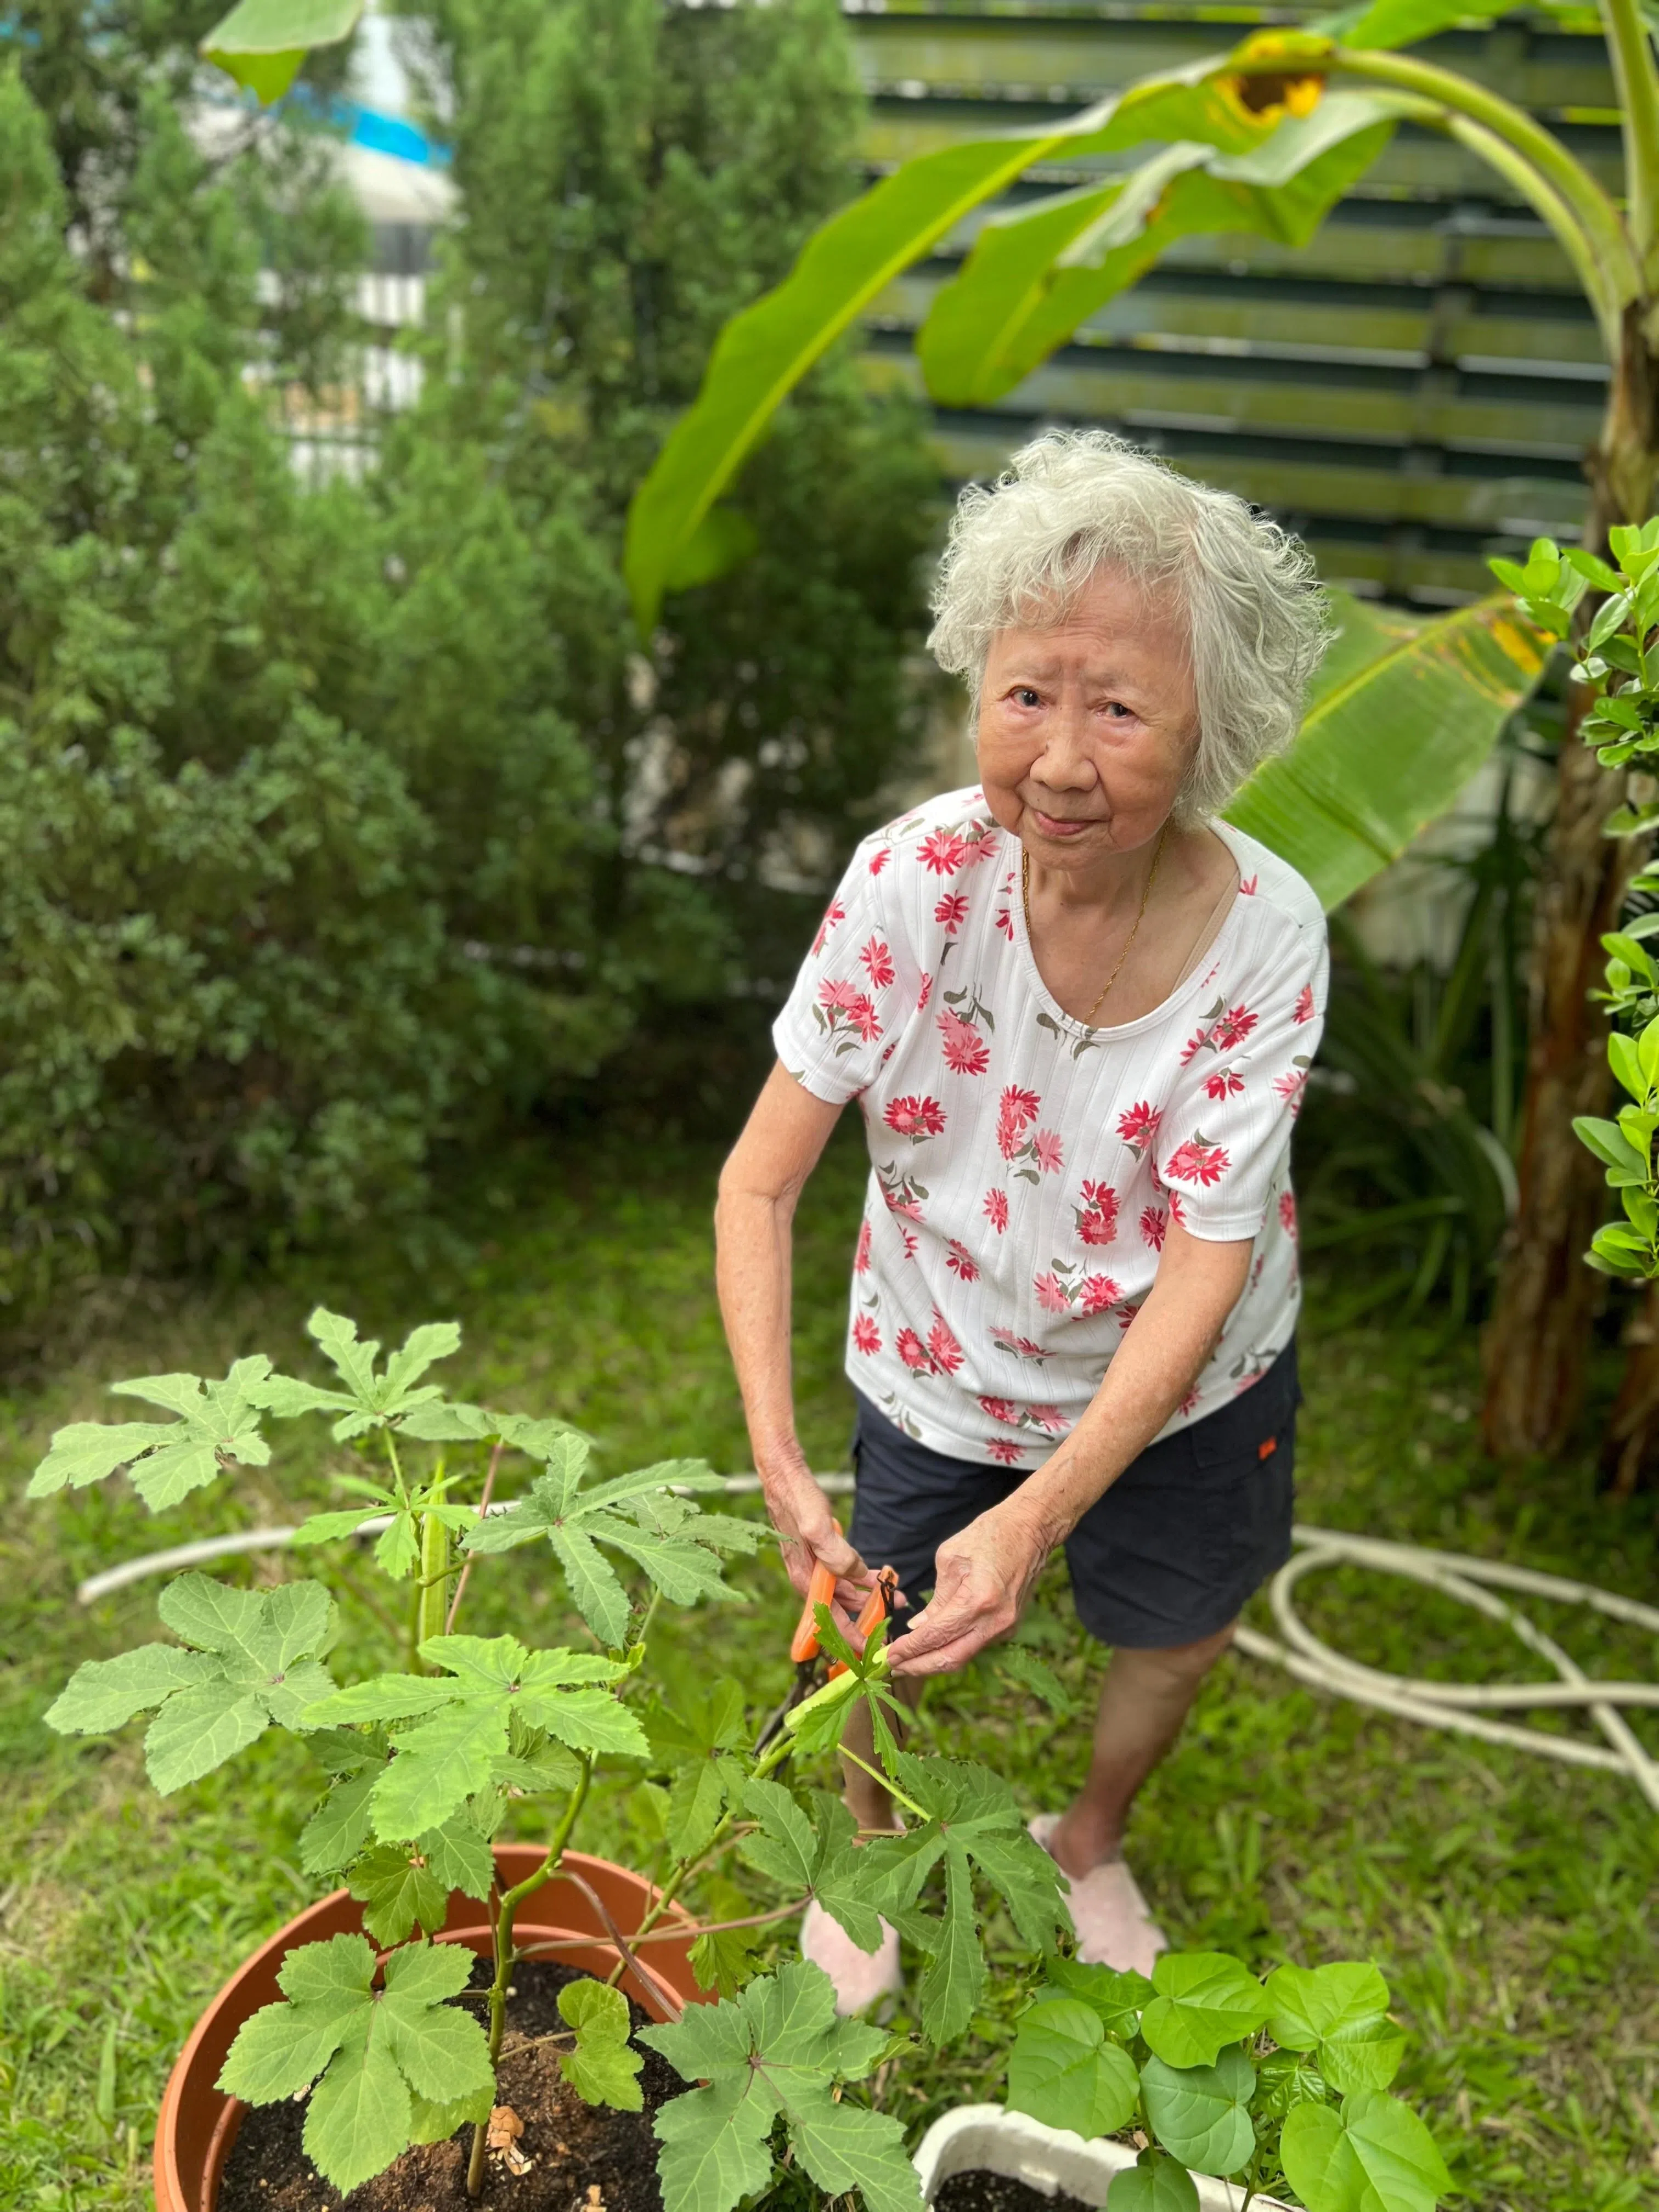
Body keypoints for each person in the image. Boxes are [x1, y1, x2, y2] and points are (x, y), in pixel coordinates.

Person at [714, 428, 1329, 2009]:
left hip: (1188, 1378)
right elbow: (759, 1179)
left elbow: (1212, 1252)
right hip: (938, 1351)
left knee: (1177, 1626)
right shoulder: (909, 882)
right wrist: (786, 1468)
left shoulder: (1270, 937)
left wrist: (1040, 1516)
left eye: (1120, 708)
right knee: (873, 1634)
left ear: (1213, 731)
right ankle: (863, 1861)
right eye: (1028, 696)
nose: (1060, 759)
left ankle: (1092, 1837)